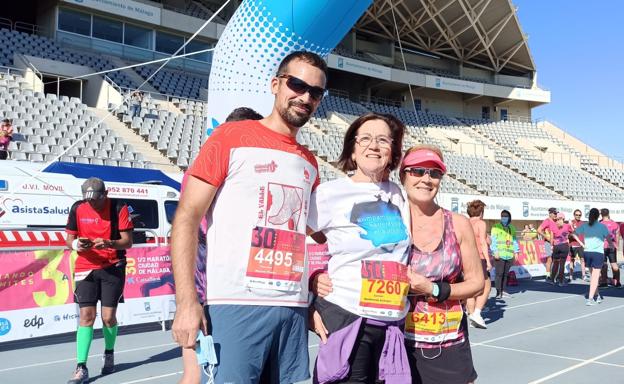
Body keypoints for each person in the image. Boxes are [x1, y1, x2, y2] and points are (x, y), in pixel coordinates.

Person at [170, 51, 327, 384]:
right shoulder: (229, 137)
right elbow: (186, 218)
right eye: (297, 84)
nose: (305, 97)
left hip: (291, 310)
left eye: (315, 92)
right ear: (275, 84)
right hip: (235, 303)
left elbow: (316, 232)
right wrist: (186, 302)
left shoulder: (310, 162)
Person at [308, 113, 412, 383]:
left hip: (392, 323)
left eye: (382, 140)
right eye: (364, 139)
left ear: (393, 151)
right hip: (347, 317)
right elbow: (295, 239)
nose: (373, 146)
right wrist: (311, 283)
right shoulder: (330, 194)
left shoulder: (401, 195)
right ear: (352, 151)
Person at [178, 106, 263, 384]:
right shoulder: (209, 171)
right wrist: (189, 301)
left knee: (198, 375)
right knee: (198, 376)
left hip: (221, 292)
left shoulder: (212, 168)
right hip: (213, 293)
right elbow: (191, 227)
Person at [400, 145, 484, 384]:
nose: (426, 179)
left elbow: (477, 283)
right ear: (403, 174)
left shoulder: (458, 224)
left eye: (434, 173)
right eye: (417, 171)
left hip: (448, 342)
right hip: (397, 340)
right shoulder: (389, 220)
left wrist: (434, 289)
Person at [65, 177, 134, 384]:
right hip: (85, 268)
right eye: (88, 200)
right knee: (86, 316)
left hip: (112, 266)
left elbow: (128, 242)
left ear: (105, 194)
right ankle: (81, 366)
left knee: (107, 317)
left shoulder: (119, 207)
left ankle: (109, 352)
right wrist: (78, 244)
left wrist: (109, 243)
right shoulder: (78, 208)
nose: (92, 204)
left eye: (95, 199)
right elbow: (69, 240)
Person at [574, 208, 610, 305]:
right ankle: (590, 298)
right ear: (598, 216)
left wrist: (581, 243)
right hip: (597, 253)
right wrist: (610, 246)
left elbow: (574, 234)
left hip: (587, 253)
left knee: (594, 276)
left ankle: (597, 295)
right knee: (595, 277)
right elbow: (609, 240)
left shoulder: (585, 225)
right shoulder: (602, 226)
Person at [466, 199, 491, 329]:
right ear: (481, 212)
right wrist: (487, 260)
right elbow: (483, 242)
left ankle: (471, 315)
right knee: (487, 286)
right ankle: (477, 312)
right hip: (478, 257)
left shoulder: (465, 223)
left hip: (466, 258)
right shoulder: (480, 223)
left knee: (470, 287)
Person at [491, 210, 519, 298]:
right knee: (499, 274)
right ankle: (498, 292)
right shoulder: (495, 227)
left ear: (509, 217)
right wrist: (495, 251)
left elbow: (514, 241)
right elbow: (493, 241)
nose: (504, 218)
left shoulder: (512, 228)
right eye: (502, 216)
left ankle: (504, 290)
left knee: (505, 274)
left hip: (509, 255)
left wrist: (516, 251)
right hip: (499, 254)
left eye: (506, 216)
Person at [550, 213, 578, 286]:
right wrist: (571, 224)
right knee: (562, 264)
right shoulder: (567, 225)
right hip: (564, 246)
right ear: (563, 218)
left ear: (557, 218)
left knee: (555, 263)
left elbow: (551, 238)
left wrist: (551, 245)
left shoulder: (553, 225)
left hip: (556, 246)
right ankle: (561, 281)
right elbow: (574, 232)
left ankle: (552, 280)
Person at [599, 208, 620, 288]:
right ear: (608, 214)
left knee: (604, 264)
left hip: (603, 246)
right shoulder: (615, 224)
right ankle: (617, 282)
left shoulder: (600, 224)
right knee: (614, 264)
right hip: (612, 246)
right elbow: (617, 235)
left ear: (601, 215)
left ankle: (604, 282)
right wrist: (616, 244)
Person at [537, 207, 559, 283]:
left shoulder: (555, 221)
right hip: (547, 242)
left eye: (556, 213)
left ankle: (555, 275)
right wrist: (546, 236)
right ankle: (548, 276)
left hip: (555, 242)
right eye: (554, 213)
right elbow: (539, 230)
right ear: (550, 213)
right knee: (549, 259)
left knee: (555, 259)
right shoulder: (547, 221)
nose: (556, 215)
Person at [569, 209, 588, 281]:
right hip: (573, 244)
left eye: (579, 215)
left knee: (582, 260)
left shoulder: (583, 223)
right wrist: (570, 225)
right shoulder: (571, 223)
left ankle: (583, 275)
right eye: (576, 215)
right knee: (572, 260)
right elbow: (570, 233)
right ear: (574, 215)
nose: (578, 216)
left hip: (581, 245)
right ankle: (571, 276)